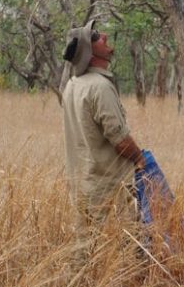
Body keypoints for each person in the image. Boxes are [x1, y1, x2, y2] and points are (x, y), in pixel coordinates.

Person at [62, 19, 146, 238]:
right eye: (96, 36)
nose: (104, 36)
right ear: (90, 52)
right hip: (108, 185)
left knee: (85, 246)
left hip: (83, 182)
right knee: (127, 245)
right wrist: (140, 160)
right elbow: (119, 138)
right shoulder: (99, 87)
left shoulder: (73, 85)